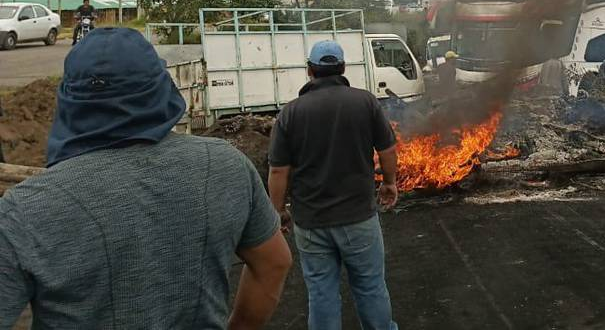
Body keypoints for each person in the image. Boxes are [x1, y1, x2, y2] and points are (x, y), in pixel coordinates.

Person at [0, 28, 291, 329]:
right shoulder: (226, 165)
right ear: (162, 89)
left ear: (69, 100)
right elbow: (274, 263)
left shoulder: (26, 208)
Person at [268, 40, 401, 330]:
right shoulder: (365, 102)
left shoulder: (291, 113)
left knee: (321, 293)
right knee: (370, 287)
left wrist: (278, 210)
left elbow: (278, 170)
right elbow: (388, 150)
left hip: (311, 222)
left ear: (309, 71)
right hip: (359, 218)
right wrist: (389, 183)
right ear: (342, 68)